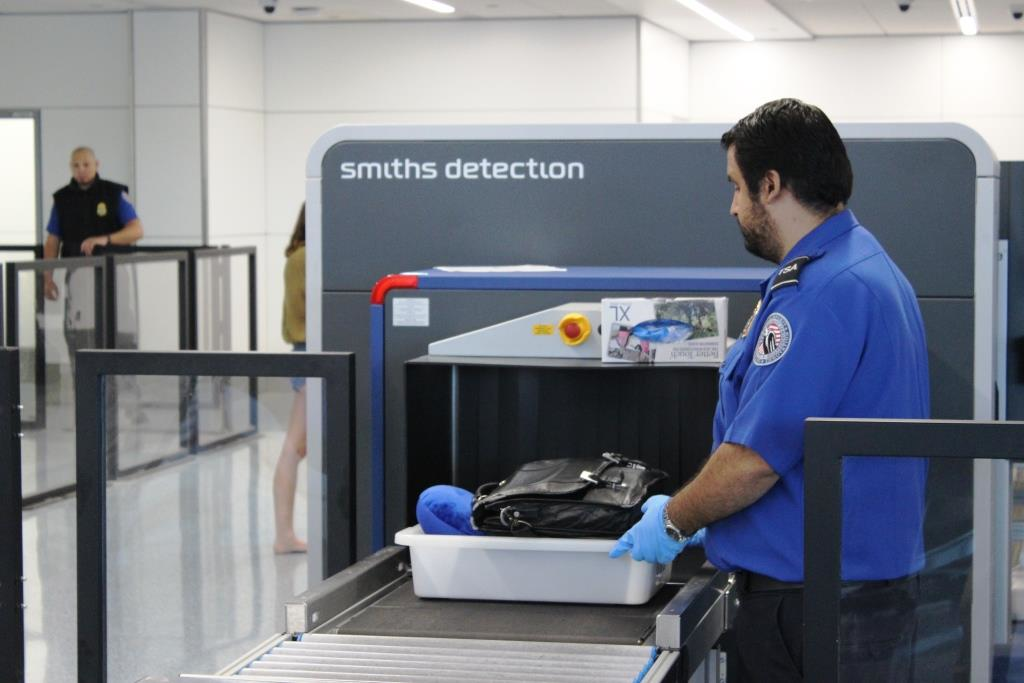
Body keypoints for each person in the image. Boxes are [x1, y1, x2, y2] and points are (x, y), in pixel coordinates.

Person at [610, 99, 929, 682]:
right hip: (850, 595)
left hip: (812, 606)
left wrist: (675, 519)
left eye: (737, 187)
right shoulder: (860, 265)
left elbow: (755, 462)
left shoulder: (822, 291)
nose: (732, 206)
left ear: (772, 184)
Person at [42, 147, 144, 372]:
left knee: (119, 329)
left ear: (97, 164)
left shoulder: (114, 193)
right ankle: (84, 384)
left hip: (113, 275)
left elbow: (136, 230)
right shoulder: (62, 199)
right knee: (80, 332)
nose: (81, 170)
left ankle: (123, 384)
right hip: (77, 275)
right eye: (76, 165)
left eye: (86, 164)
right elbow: (52, 241)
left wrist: (106, 239)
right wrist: (47, 277)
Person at [275, 204, 307, 554]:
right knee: (294, 447)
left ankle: (284, 534)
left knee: (298, 446)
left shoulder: (298, 255)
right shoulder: (305, 258)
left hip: (307, 352)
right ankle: (283, 535)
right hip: (310, 352)